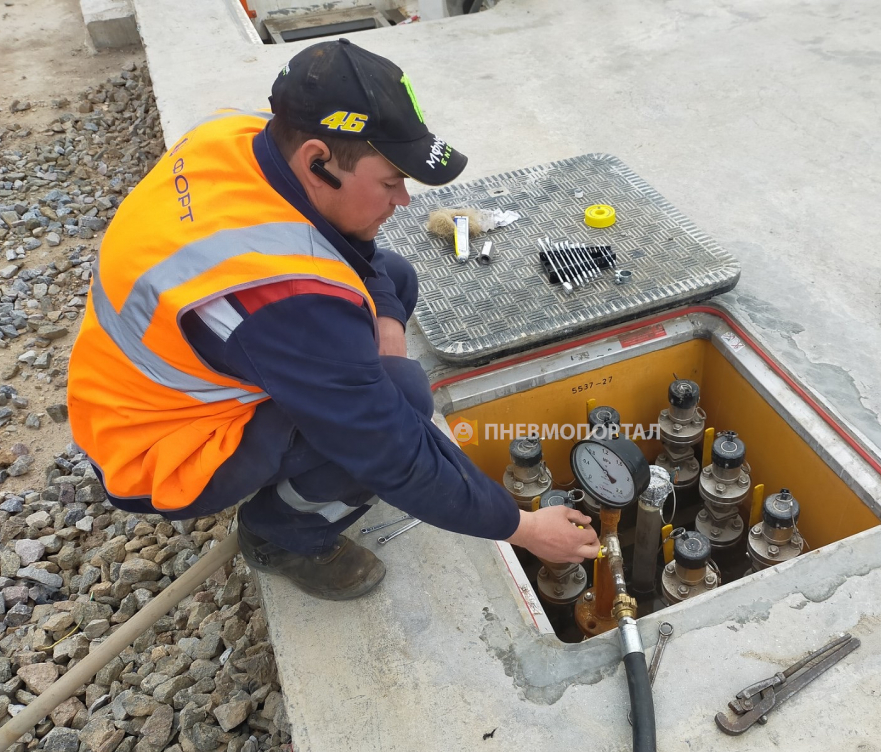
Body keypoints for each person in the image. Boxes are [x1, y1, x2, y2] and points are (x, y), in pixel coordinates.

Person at [67, 39, 599, 600]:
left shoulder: (241, 136)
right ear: (318, 160)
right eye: (391, 182)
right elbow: (396, 456)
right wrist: (522, 528)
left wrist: (384, 331)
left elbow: (361, 263)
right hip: (159, 447)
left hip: (150, 374)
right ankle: (282, 534)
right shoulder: (282, 301)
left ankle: (336, 409)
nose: (405, 202)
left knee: (393, 279)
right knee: (403, 404)